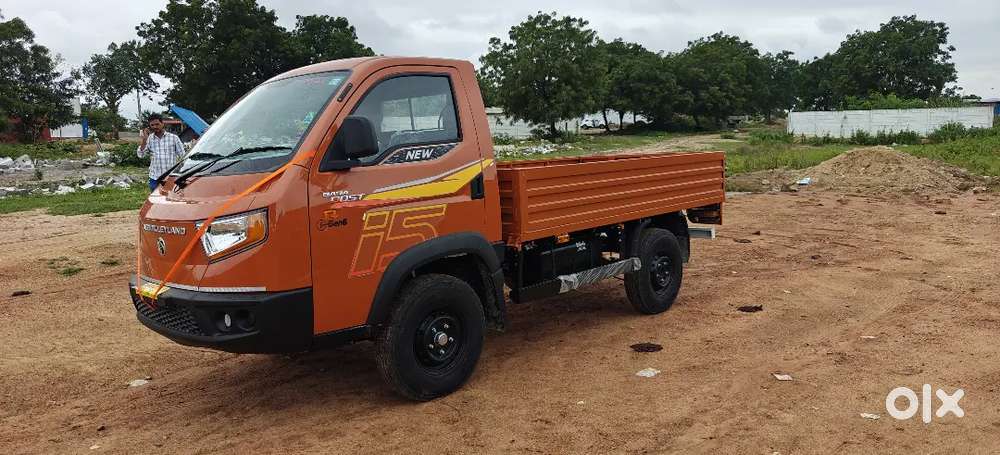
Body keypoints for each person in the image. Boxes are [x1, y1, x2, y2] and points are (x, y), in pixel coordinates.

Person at [137, 113, 186, 192]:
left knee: (169, 197)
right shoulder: (149, 139)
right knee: (155, 198)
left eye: (157, 124)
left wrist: (181, 173)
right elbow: (141, 155)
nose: (155, 127)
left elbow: (183, 156)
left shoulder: (174, 138)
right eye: (152, 125)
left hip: (170, 177)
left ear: (162, 123)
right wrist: (144, 139)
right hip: (154, 177)